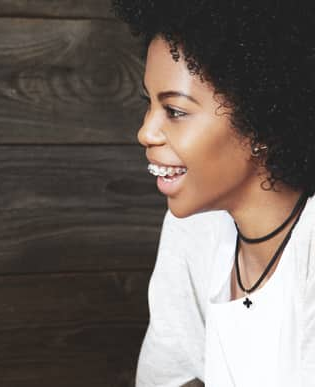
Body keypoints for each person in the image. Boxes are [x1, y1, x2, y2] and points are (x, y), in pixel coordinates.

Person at [111, 0, 315, 385]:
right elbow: (168, 376)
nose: (146, 132)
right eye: (148, 104)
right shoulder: (192, 230)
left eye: (174, 110)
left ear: (259, 124)